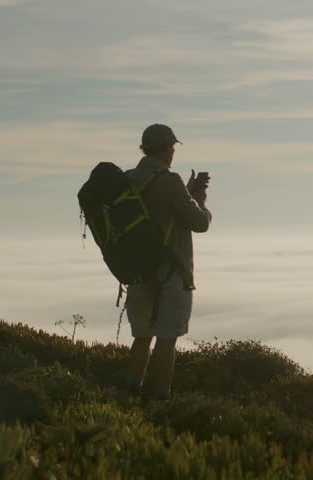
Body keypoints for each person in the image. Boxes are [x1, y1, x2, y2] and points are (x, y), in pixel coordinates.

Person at [123, 123, 212, 401]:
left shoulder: (128, 178)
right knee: (166, 339)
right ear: (165, 149)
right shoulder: (170, 182)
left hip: (138, 271)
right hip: (171, 273)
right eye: (172, 148)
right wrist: (198, 199)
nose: (173, 153)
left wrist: (184, 195)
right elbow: (199, 223)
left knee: (142, 337)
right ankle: (161, 399)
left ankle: (131, 392)